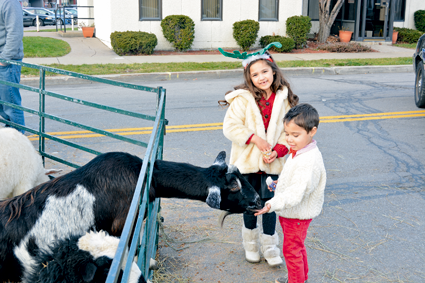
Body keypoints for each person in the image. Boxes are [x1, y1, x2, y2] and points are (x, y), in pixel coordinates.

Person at [218, 43, 298, 267]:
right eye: (255, 74)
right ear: (249, 77)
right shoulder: (242, 99)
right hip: (247, 165)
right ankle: (251, 245)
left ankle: (271, 247)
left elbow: (289, 131)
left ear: (273, 70)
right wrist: (256, 139)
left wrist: (278, 150)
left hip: (273, 164)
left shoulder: (284, 99)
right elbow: (231, 127)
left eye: (264, 71)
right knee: (251, 204)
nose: (261, 77)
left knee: (272, 204)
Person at [254, 103, 327, 283]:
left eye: (296, 135)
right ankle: (301, 279)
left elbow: (296, 193)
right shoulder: (300, 151)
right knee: (297, 248)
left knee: (291, 251)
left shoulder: (307, 161)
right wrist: (280, 184)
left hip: (297, 214)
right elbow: (296, 182)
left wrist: (271, 204)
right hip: (293, 212)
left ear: (312, 131)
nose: (290, 139)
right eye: (287, 134)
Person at [0, 0, 25, 133]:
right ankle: (10, 133)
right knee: (2, 106)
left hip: (7, 63)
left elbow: (15, 33)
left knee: (11, 106)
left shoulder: (9, 2)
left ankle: (17, 139)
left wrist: (4, 60)